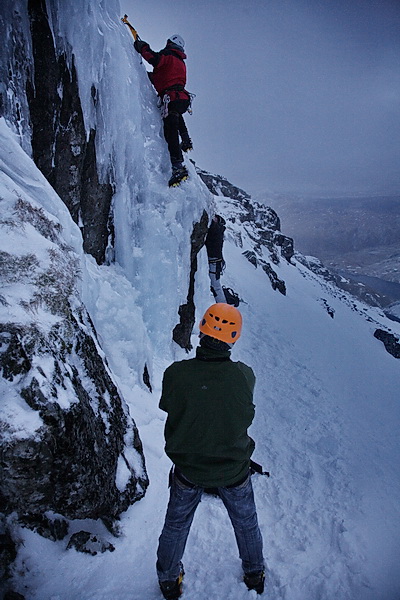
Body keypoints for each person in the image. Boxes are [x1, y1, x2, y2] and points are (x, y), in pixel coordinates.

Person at [157, 303, 265, 599]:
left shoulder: (176, 373)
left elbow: (170, 406)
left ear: (201, 328)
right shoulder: (244, 375)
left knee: (176, 524)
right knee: (246, 523)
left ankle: (168, 579)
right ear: (234, 338)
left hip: (188, 468)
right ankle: (255, 573)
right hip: (233, 468)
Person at [133, 34, 193, 187]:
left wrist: (143, 48)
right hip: (181, 98)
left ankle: (178, 167)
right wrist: (145, 77)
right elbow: (163, 77)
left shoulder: (168, 55)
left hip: (171, 97)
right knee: (176, 116)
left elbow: (155, 59)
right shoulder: (180, 62)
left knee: (170, 131)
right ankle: (186, 140)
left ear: (170, 44)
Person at [205, 215, 226, 303]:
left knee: (216, 286)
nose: (214, 219)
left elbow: (213, 229)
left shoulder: (217, 230)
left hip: (215, 262)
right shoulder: (219, 230)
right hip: (215, 262)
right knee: (215, 285)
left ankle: (223, 306)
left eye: (216, 219)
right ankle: (222, 305)